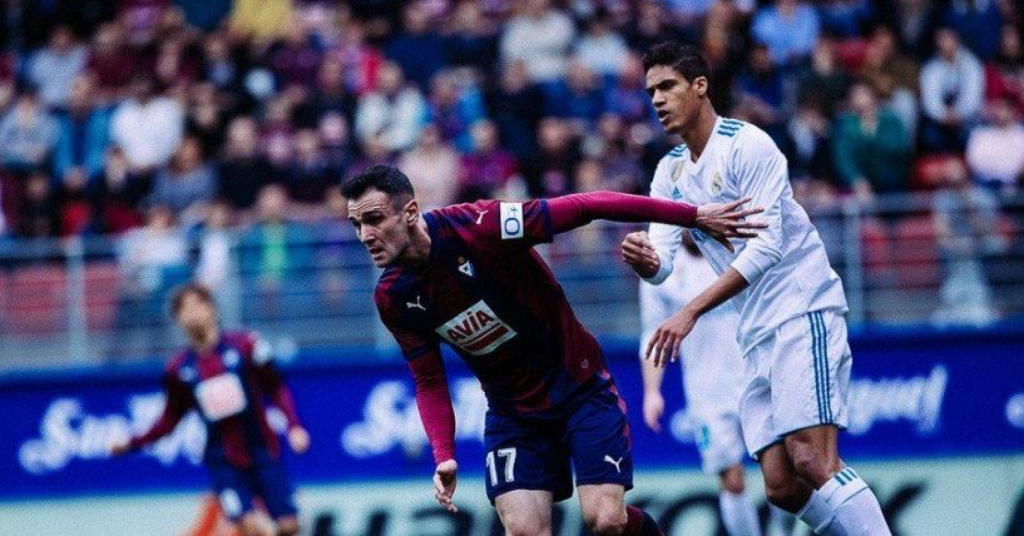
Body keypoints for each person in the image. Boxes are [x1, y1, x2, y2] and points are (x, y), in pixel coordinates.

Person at [342, 165, 763, 536]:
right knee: (524, 530)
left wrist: (693, 215)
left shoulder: (480, 225)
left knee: (607, 521)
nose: (365, 236)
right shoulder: (393, 297)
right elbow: (429, 379)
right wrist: (444, 454)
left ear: (410, 211)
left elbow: (589, 205)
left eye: (375, 220)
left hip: (579, 388)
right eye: (357, 225)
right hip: (512, 413)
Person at [623, 41, 891, 535]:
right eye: (650, 91)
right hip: (755, 330)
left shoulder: (749, 145)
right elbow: (663, 268)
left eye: (667, 87)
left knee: (813, 459)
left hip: (801, 307)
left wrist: (691, 311)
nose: (657, 100)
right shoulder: (669, 174)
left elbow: (766, 250)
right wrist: (646, 264)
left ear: (700, 87)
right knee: (781, 486)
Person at [110, 283, 310, 536]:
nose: (192, 313)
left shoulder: (246, 346)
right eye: (184, 309)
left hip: (263, 452)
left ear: (212, 309)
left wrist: (294, 426)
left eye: (197, 305)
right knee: (251, 527)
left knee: (289, 526)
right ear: (178, 320)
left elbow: (275, 387)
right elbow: (168, 421)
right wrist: (130, 443)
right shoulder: (179, 370)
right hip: (223, 462)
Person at [633, 234, 793, 536]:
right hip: (706, 394)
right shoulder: (660, 270)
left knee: (781, 478)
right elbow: (651, 336)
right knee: (732, 481)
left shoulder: (742, 254)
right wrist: (652, 392)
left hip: (759, 382)